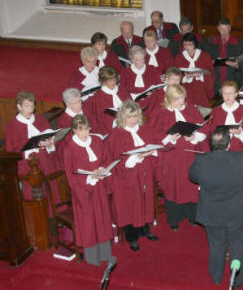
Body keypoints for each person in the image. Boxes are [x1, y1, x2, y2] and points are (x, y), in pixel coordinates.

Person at [189, 127, 243, 288]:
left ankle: (216, 277)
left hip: (212, 213)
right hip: (238, 212)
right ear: (229, 144)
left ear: (211, 145)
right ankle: (238, 279)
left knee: (216, 245)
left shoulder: (201, 160)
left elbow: (192, 177)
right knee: (237, 247)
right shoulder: (242, 158)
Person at [149, 85, 207, 231]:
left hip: (190, 156)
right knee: (173, 187)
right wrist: (169, 138)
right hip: (170, 158)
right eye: (177, 99)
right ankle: (174, 219)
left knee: (191, 186)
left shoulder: (191, 109)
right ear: (169, 98)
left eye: (182, 98)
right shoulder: (159, 113)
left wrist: (195, 137)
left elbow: (203, 129)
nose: (181, 101)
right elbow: (153, 138)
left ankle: (193, 216)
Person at [105, 100, 159, 251]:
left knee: (145, 199)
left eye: (135, 116)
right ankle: (132, 237)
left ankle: (145, 229)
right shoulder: (116, 134)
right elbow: (116, 157)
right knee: (130, 204)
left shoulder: (145, 129)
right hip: (126, 176)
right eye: (129, 117)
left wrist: (151, 151)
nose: (133, 120)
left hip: (145, 173)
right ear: (122, 118)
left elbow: (156, 143)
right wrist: (135, 158)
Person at [63, 114, 116, 266]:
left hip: (99, 188)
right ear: (74, 131)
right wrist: (90, 179)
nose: (85, 133)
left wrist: (102, 169)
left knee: (102, 219)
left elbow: (106, 159)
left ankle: (105, 254)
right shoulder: (69, 148)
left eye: (86, 129)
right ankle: (93, 259)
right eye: (80, 130)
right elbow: (71, 175)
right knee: (89, 223)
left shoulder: (98, 141)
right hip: (83, 192)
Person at [5, 91, 59, 200]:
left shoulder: (41, 119)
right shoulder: (11, 127)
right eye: (27, 106)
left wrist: (49, 144)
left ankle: (53, 214)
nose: (31, 109)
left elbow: (50, 138)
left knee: (51, 194)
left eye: (32, 105)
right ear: (19, 106)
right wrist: (33, 146)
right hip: (27, 166)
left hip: (45, 162)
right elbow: (11, 152)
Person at [207, 81, 243, 155]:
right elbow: (210, 133)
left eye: (230, 93)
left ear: (236, 94)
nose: (227, 96)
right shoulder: (216, 111)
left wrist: (240, 134)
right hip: (219, 153)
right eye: (225, 93)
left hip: (239, 152)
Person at [206, 18, 243, 96]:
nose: (224, 32)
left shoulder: (238, 42)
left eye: (226, 29)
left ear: (230, 28)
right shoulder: (212, 42)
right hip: (216, 82)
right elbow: (207, 60)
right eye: (221, 29)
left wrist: (237, 65)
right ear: (218, 28)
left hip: (233, 80)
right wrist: (225, 62)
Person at [174, 33, 215, 107]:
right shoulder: (179, 57)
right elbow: (176, 74)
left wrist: (200, 74)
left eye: (190, 44)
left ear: (195, 44)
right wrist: (186, 77)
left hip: (202, 89)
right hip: (186, 89)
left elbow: (211, 73)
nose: (187, 47)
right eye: (185, 44)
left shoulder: (205, 56)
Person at [119, 45, 161, 117]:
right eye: (138, 60)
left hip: (151, 102)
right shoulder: (125, 72)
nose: (141, 62)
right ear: (132, 60)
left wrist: (152, 93)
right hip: (132, 104)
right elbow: (122, 91)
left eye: (143, 59)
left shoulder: (152, 69)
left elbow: (159, 87)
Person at [88, 66, 129, 136]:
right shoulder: (99, 97)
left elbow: (130, 104)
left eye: (115, 79)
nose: (114, 82)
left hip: (129, 118)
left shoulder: (121, 89)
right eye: (110, 80)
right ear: (103, 81)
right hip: (113, 125)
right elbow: (102, 118)